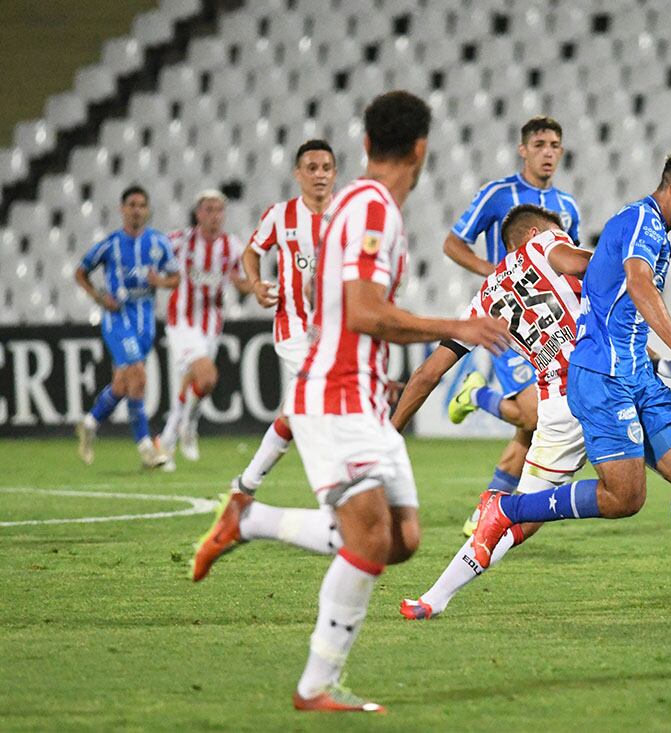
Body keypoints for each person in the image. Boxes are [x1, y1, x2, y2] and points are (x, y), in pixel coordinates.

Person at [188, 90, 509, 713]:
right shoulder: (370, 208)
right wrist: (457, 326)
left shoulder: (358, 207)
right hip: (335, 397)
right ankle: (316, 685)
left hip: (359, 395)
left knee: (405, 538)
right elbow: (363, 312)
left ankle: (248, 520)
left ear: (365, 144)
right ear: (421, 148)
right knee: (367, 544)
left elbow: (341, 303)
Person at [394, 206, 671, 620]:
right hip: (603, 386)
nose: (569, 239)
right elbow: (596, 271)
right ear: (537, 232)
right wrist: (628, 264)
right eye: (563, 234)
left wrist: (392, 430)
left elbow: (428, 373)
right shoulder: (544, 246)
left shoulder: (483, 300)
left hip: (558, 407)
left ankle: (434, 597)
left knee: (525, 515)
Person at [442, 116, 583, 535]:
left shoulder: (568, 207)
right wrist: (495, 271)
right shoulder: (499, 194)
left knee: (535, 427)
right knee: (532, 415)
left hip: (553, 324)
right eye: (539, 144)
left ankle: (489, 506)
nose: (548, 152)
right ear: (523, 150)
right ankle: (478, 394)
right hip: (508, 323)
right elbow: (453, 243)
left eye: (555, 144)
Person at [230, 139, 336, 495]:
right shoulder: (281, 215)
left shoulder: (347, 215)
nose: (319, 175)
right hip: (293, 329)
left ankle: (245, 484)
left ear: (334, 173)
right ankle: (337, 494)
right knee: (321, 404)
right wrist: (256, 283)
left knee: (295, 413)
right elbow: (252, 251)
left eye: (326, 168)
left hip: (334, 332)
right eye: (312, 168)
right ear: (298, 173)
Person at [74, 185, 179, 468]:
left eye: (141, 205)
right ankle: (146, 447)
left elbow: (176, 277)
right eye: (131, 204)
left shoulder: (159, 243)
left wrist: (161, 282)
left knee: (123, 384)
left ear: (147, 210)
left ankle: (89, 422)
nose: (136, 210)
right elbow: (80, 272)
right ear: (122, 209)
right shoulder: (110, 245)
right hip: (117, 318)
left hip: (145, 321)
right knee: (139, 377)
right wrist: (98, 296)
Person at [157, 189, 249, 469]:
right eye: (208, 209)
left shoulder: (232, 246)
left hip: (211, 324)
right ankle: (189, 425)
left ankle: (165, 443)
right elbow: (153, 254)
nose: (214, 215)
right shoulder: (180, 240)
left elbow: (243, 282)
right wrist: (155, 279)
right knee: (207, 377)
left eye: (219, 210)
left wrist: (254, 287)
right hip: (182, 321)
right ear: (198, 214)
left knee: (191, 384)